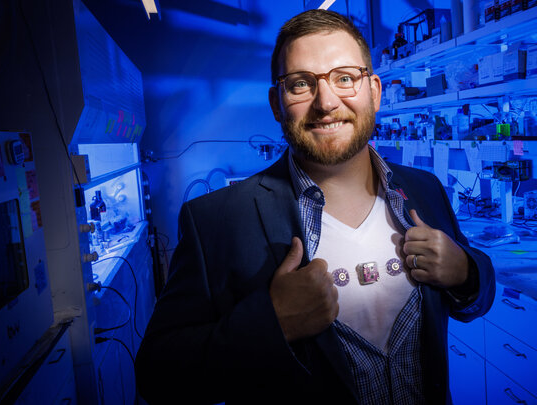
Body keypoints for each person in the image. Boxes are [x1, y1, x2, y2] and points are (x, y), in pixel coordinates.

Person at [135, 9, 495, 405]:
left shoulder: (424, 189)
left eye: (345, 78)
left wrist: (465, 272)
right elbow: (157, 376)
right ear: (277, 103)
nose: (326, 102)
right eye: (301, 84)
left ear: (373, 92)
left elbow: (476, 295)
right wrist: (272, 324)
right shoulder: (215, 222)